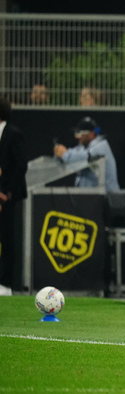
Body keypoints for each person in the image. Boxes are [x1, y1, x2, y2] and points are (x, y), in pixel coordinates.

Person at [0, 97, 27, 296]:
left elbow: (20, 166)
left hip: (6, 197)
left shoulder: (13, 134)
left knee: (7, 239)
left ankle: (5, 284)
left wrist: (6, 194)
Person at [53, 117, 120, 192]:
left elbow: (80, 158)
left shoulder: (101, 147)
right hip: (93, 198)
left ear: (91, 134)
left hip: (109, 199)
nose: (77, 137)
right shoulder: (84, 147)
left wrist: (64, 154)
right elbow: (71, 156)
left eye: (80, 133)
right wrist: (59, 153)